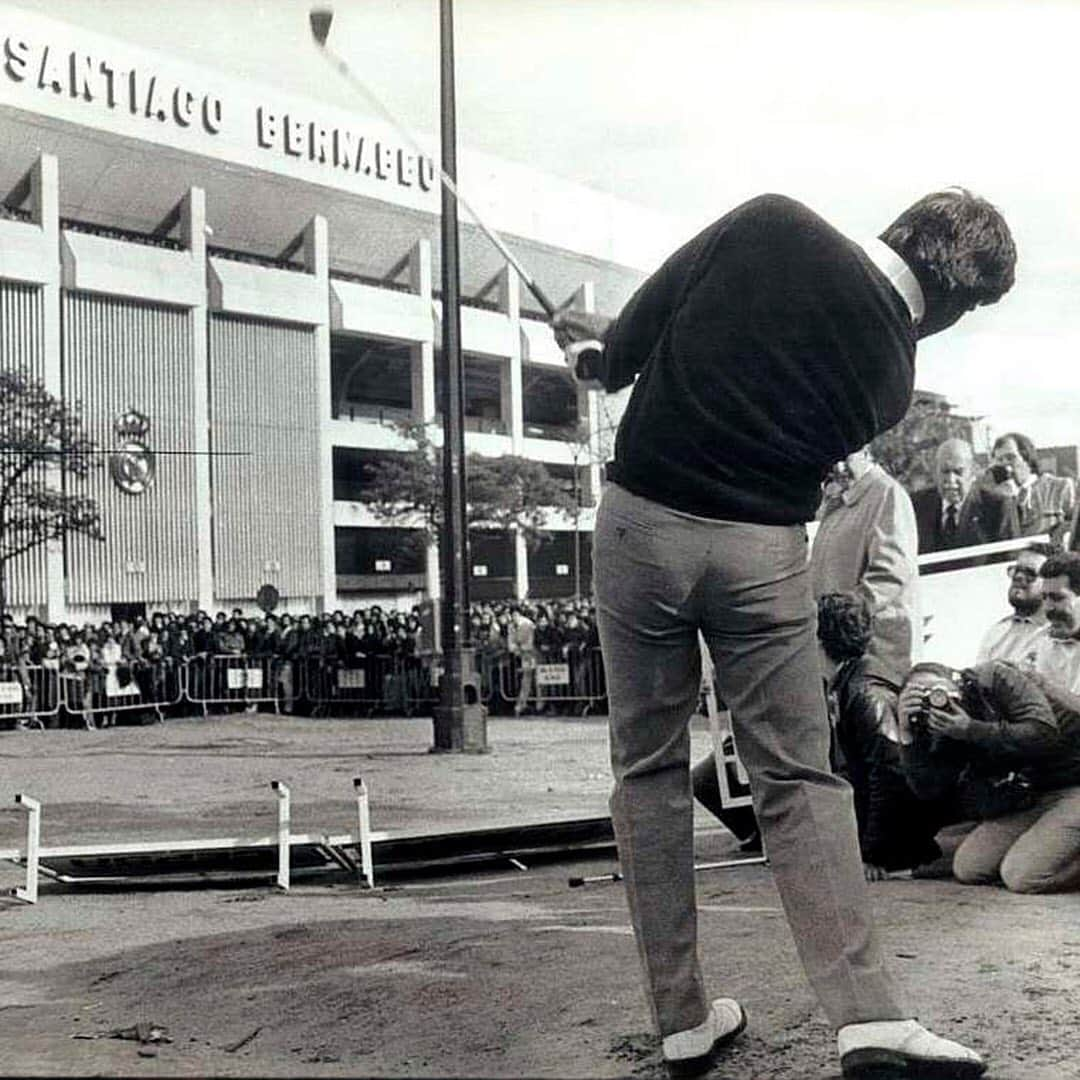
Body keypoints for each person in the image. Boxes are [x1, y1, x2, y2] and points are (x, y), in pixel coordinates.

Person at [553, 188, 1015, 1079]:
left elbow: (642, 326)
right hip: (763, 554)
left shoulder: (773, 222)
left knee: (645, 769)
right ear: (955, 302)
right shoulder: (892, 380)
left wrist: (601, 362)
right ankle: (870, 1017)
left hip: (642, 527)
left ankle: (682, 1018)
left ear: (904, 225)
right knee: (800, 777)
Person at [897, 660, 1080, 893]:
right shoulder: (940, 724)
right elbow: (930, 789)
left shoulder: (996, 679)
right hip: (1033, 793)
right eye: (923, 698)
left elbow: (1043, 733)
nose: (937, 701)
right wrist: (908, 735)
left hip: (1074, 781)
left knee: (1023, 876)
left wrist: (970, 729)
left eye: (937, 690)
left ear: (957, 681)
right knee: (970, 868)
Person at [812, 446, 921, 683]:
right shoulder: (837, 503)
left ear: (866, 451)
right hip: (840, 654)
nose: (838, 467)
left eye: (846, 456)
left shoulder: (887, 493)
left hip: (875, 654)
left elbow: (890, 573)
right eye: (832, 457)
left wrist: (843, 619)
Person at [911, 438, 1012, 553]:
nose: (951, 480)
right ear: (936, 472)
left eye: (958, 472)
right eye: (945, 471)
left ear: (973, 472)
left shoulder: (996, 507)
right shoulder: (916, 506)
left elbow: (1007, 559)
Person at [975, 543, 1053, 664]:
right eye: (1016, 570)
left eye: (1030, 573)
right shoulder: (998, 630)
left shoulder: (1054, 635)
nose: (1019, 576)